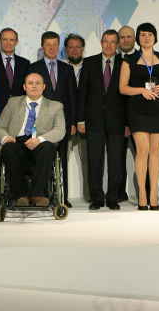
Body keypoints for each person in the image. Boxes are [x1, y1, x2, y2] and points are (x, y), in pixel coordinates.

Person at [119, 23, 159, 210]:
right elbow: (122, 88)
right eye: (142, 34)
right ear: (138, 38)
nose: (146, 38)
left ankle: (153, 194)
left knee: (155, 153)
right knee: (142, 151)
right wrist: (142, 90)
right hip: (138, 111)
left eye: (150, 34)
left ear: (155, 37)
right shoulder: (129, 60)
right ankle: (142, 193)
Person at [0, 72, 66, 206]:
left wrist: (39, 139)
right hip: (17, 142)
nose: (34, 86)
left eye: (38, 83)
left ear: (44, 87)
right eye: (30, 83)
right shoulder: (13, 103)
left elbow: (60, 131)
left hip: (40, 142)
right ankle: (20, 196)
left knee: (48, 147)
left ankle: (38, 195)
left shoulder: (55, 106)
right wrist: (6, 138)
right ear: (24, 87)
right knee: (8, 148)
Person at [77, 30, 126, 210]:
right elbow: (82, 92)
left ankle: (113, 197)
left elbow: (127, 97)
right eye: (106, 41)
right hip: (93, 121)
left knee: (116, 161)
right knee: (94, 160)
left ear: (118, 44)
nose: (109, 45)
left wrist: (128, 123)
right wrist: (80, 120)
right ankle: (96, 198)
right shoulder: (89, 63)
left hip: (118, 122)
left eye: (113, 42)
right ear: (101, 43)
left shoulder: (124, 63)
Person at [28, 31, 76, 208]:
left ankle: (62, 198)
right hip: (39, 123)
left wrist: (73, 122)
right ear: (42, 46)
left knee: (62, 160)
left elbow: (72, 98)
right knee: (40, 159)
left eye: (55, 44)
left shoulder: (67, 68)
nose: (52, 48)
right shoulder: (33, 68)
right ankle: (41, 195)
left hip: (62, 123)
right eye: (48, 44)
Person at [0, 28, 30, 208]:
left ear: (16, 42)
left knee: (19, 157)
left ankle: (20, 195)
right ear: (0, 41)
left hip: (20, 119)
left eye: (12, 40)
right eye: (5, 39)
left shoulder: (25, 63)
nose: (8, 43)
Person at [118, 25, 146, 203]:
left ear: (134, 38)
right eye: (122, 37)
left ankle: (147, 193)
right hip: (118, 118)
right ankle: (120, 194)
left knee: (145, 156)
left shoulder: (144, 58)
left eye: (129, 36)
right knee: (118, 160)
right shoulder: (114, 60)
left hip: (141, 117)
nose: (126, 40)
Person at [64, 33, 89, 202]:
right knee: (61, 161)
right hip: (65, 123)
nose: (74, 50)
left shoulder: (91, 66)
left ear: (83, 49)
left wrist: (82, 120)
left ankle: (90, 196)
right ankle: (62, 197)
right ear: (66, 50)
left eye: (77, 47)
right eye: (71, 47)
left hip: (87, 122)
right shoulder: (60, 68)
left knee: (89, 161)